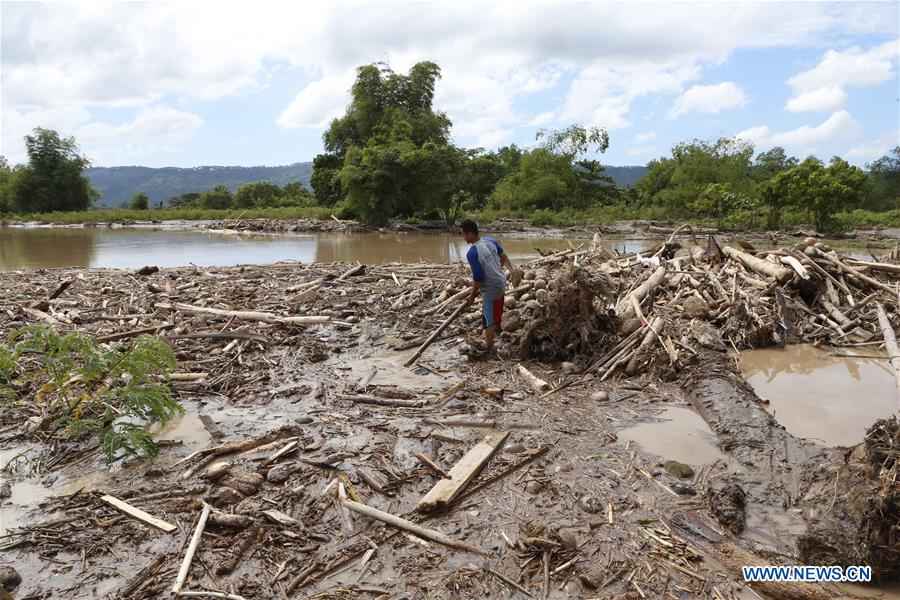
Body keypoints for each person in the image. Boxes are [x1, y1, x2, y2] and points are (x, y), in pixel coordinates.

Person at [459, 219, 520, 357]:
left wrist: (472, 296)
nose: (463, 238)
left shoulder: (472, 253)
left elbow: (478, 279)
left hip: (491, 286)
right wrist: (495, 269)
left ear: (469, 233)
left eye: (464, 234)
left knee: (487, 319)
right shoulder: (490, 241)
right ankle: (497, 332)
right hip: (501, 280)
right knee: (497, 306)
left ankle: (489, 348)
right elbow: (503, 257)